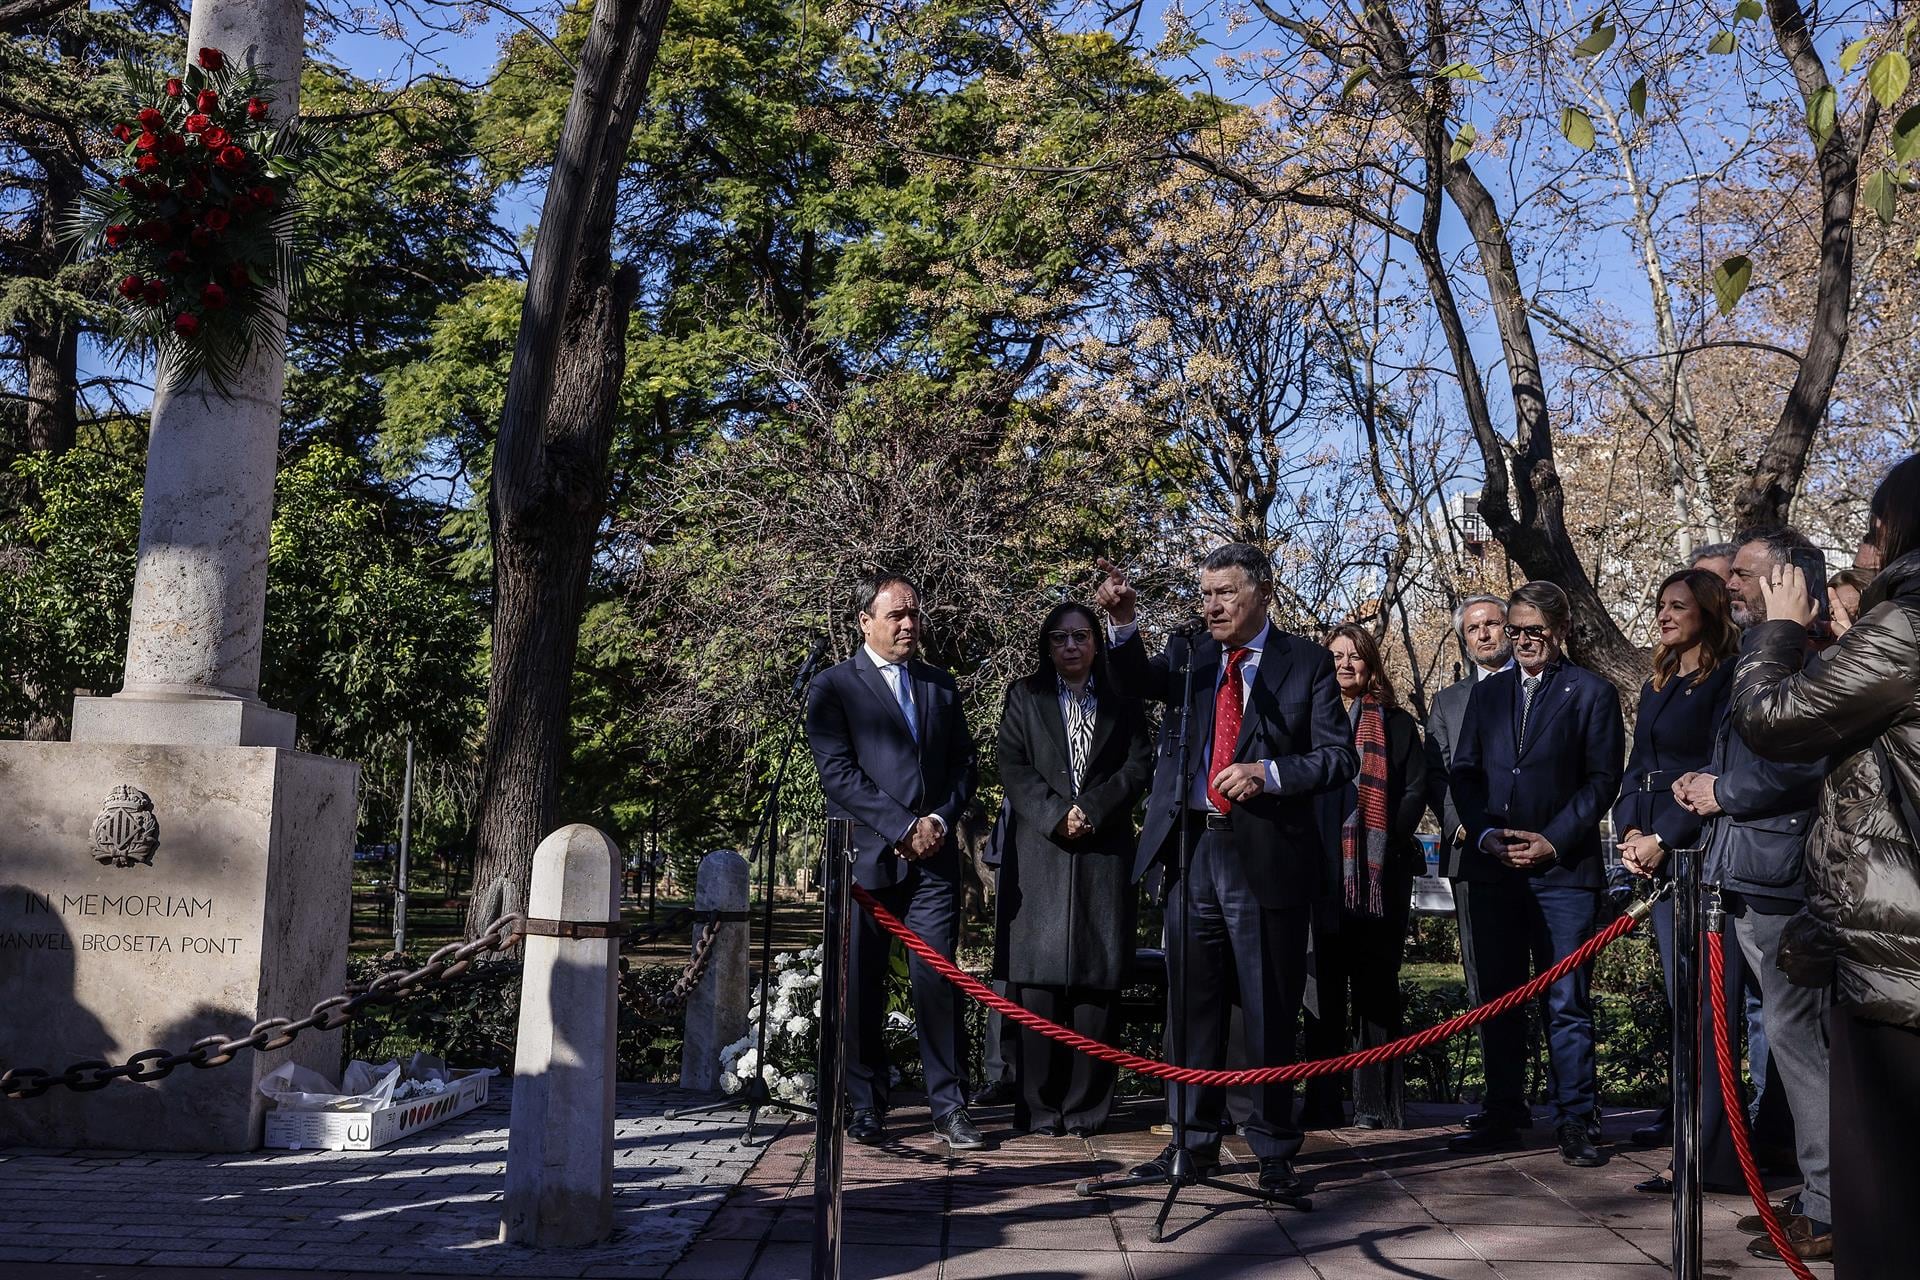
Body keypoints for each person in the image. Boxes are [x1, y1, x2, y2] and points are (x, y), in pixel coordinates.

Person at [1092, 545, 1356, 1193]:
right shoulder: (1192, 656)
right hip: (1191, 850)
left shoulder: (1308, 664)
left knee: (1266, 1005)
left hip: (1264, 855)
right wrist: (1124, 624)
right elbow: (1132, 682)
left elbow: (1337, 760)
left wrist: (1268, 774)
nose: (1209, 606)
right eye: (1204, 593)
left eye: (1224, 594)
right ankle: (1190, 1143)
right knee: (1190, 1005)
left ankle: (1272, 1152)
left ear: (1263, 592)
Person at [1734, 455, 1920, 1280]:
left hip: (1898, 951)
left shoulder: (1910, 621)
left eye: (1875, 528)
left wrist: (1775, 633)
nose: (1867, 548)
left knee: (1885, 1199)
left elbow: (1775, 721)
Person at [1668, 526, 1832, 1259]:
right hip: (1744, 869)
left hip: (1783, 876)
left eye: (1742, 573)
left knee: (1801, 1046)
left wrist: (1718, 791)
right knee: (1791, 1046)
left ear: (1788, 579)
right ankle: (1819, 1194)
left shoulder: (1810, 655)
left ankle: (1829, 1207)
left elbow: (1802, 764)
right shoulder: (1765, 655)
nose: (1728, 585)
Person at [1446, 580, 1625, 1166]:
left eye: (1534, 632)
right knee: (1498, 997)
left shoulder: (1592, 692)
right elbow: (1464, 773)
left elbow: (1602, 779)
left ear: (1561, 631)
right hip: (1494, 867)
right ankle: (1503, 1112)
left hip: (1563, 870)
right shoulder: (1489, 694)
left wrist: (1553, 840)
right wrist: (1486, 832)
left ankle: (1576, 1120)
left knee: (1566, 999)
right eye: (1515, 630)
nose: (1522, 641)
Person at [804, 573, 983, 1150]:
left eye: (913, 614)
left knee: (937, 979)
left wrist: (936, 822)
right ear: (866, 621)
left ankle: (948, 1106)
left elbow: (964, 765)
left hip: (932, 863)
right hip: (866, 864)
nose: (908, 624)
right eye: (896, 615)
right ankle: (866, 1105)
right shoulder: (834, 687)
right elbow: (838, 774)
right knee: (862, 985)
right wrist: (902, 825)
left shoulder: (938, 684)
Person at [995, 602, 1153, 1137]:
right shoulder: (1025, 697)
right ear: (1048, 644)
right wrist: (1056, 815)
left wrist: (1096, 810)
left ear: (1095, 643)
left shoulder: (1122, 702)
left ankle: (1087, 1109)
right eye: (1060, 637)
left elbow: (1139, 765)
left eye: (1081, 636)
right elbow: (1011, 764)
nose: (1070, 646)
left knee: (1095, 985)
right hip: (1040, 854)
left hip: (1103, 855)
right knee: (1036, 986)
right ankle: (1038, 1108)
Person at [1610, 568, 1741, 1189]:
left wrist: (1664, 837)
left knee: (1706, 1009)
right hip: (1654, 852)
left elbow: (1715, 769)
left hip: (1698, 851)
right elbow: (1640, 766)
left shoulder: (1728, 681)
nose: (1663, 614)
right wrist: (1629, 833)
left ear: (1709, 613)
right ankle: (1690, 1144)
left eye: (1677, 605)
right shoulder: (1659, 682)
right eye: (1659, 604)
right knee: (1679, 1005)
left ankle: (1709, 1156)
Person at [1300, 624, 1429, 1129]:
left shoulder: (1396, 725)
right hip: (1321, 875)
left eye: (1355, 657)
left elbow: (1415, 789)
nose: (1345, 665)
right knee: (1322, 992)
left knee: (1375, 991)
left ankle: (1377, 1104)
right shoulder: (1308, 722)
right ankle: (1322, 1100)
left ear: (1372, 665)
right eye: (1335, 657)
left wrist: (1385, 841)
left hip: (1379, 878)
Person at [1422, 594, 1514, 1132]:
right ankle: (1502, 1101)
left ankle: (1572, 1107)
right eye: (1474, 627)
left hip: (1536, 856)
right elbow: (1439, 772)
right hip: (1473, 856)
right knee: (1488, 988)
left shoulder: (1548, 688)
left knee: (1551, 985)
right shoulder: (1449, 701)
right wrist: (1467, 827)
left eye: (1493, 623)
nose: (1484, 634)